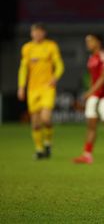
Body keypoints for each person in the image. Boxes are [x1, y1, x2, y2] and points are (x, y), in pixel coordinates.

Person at [17, 23, 64, 159]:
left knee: (46, 118)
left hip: (47, 88)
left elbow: (59, 64)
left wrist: (55, 77)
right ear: (32, 34)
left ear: (44, 33)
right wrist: (21, 86)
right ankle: (39, 149)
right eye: (35, 32)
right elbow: (23, 68)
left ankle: (48, 143)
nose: (37, 34)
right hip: (32, 89)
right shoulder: (27, 48)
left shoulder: (51, 46)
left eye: (39, 32)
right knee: (35, 122)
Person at [73, 33, 104, 164]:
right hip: (94, 95)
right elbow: (93, 78)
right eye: (86, 41)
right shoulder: (92, 58)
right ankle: (87, 154)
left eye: (90, 41)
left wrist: (90, 92)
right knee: (91, 125)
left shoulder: (103, 55)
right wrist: (90, 95)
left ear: (98, 42)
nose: (87, 43)